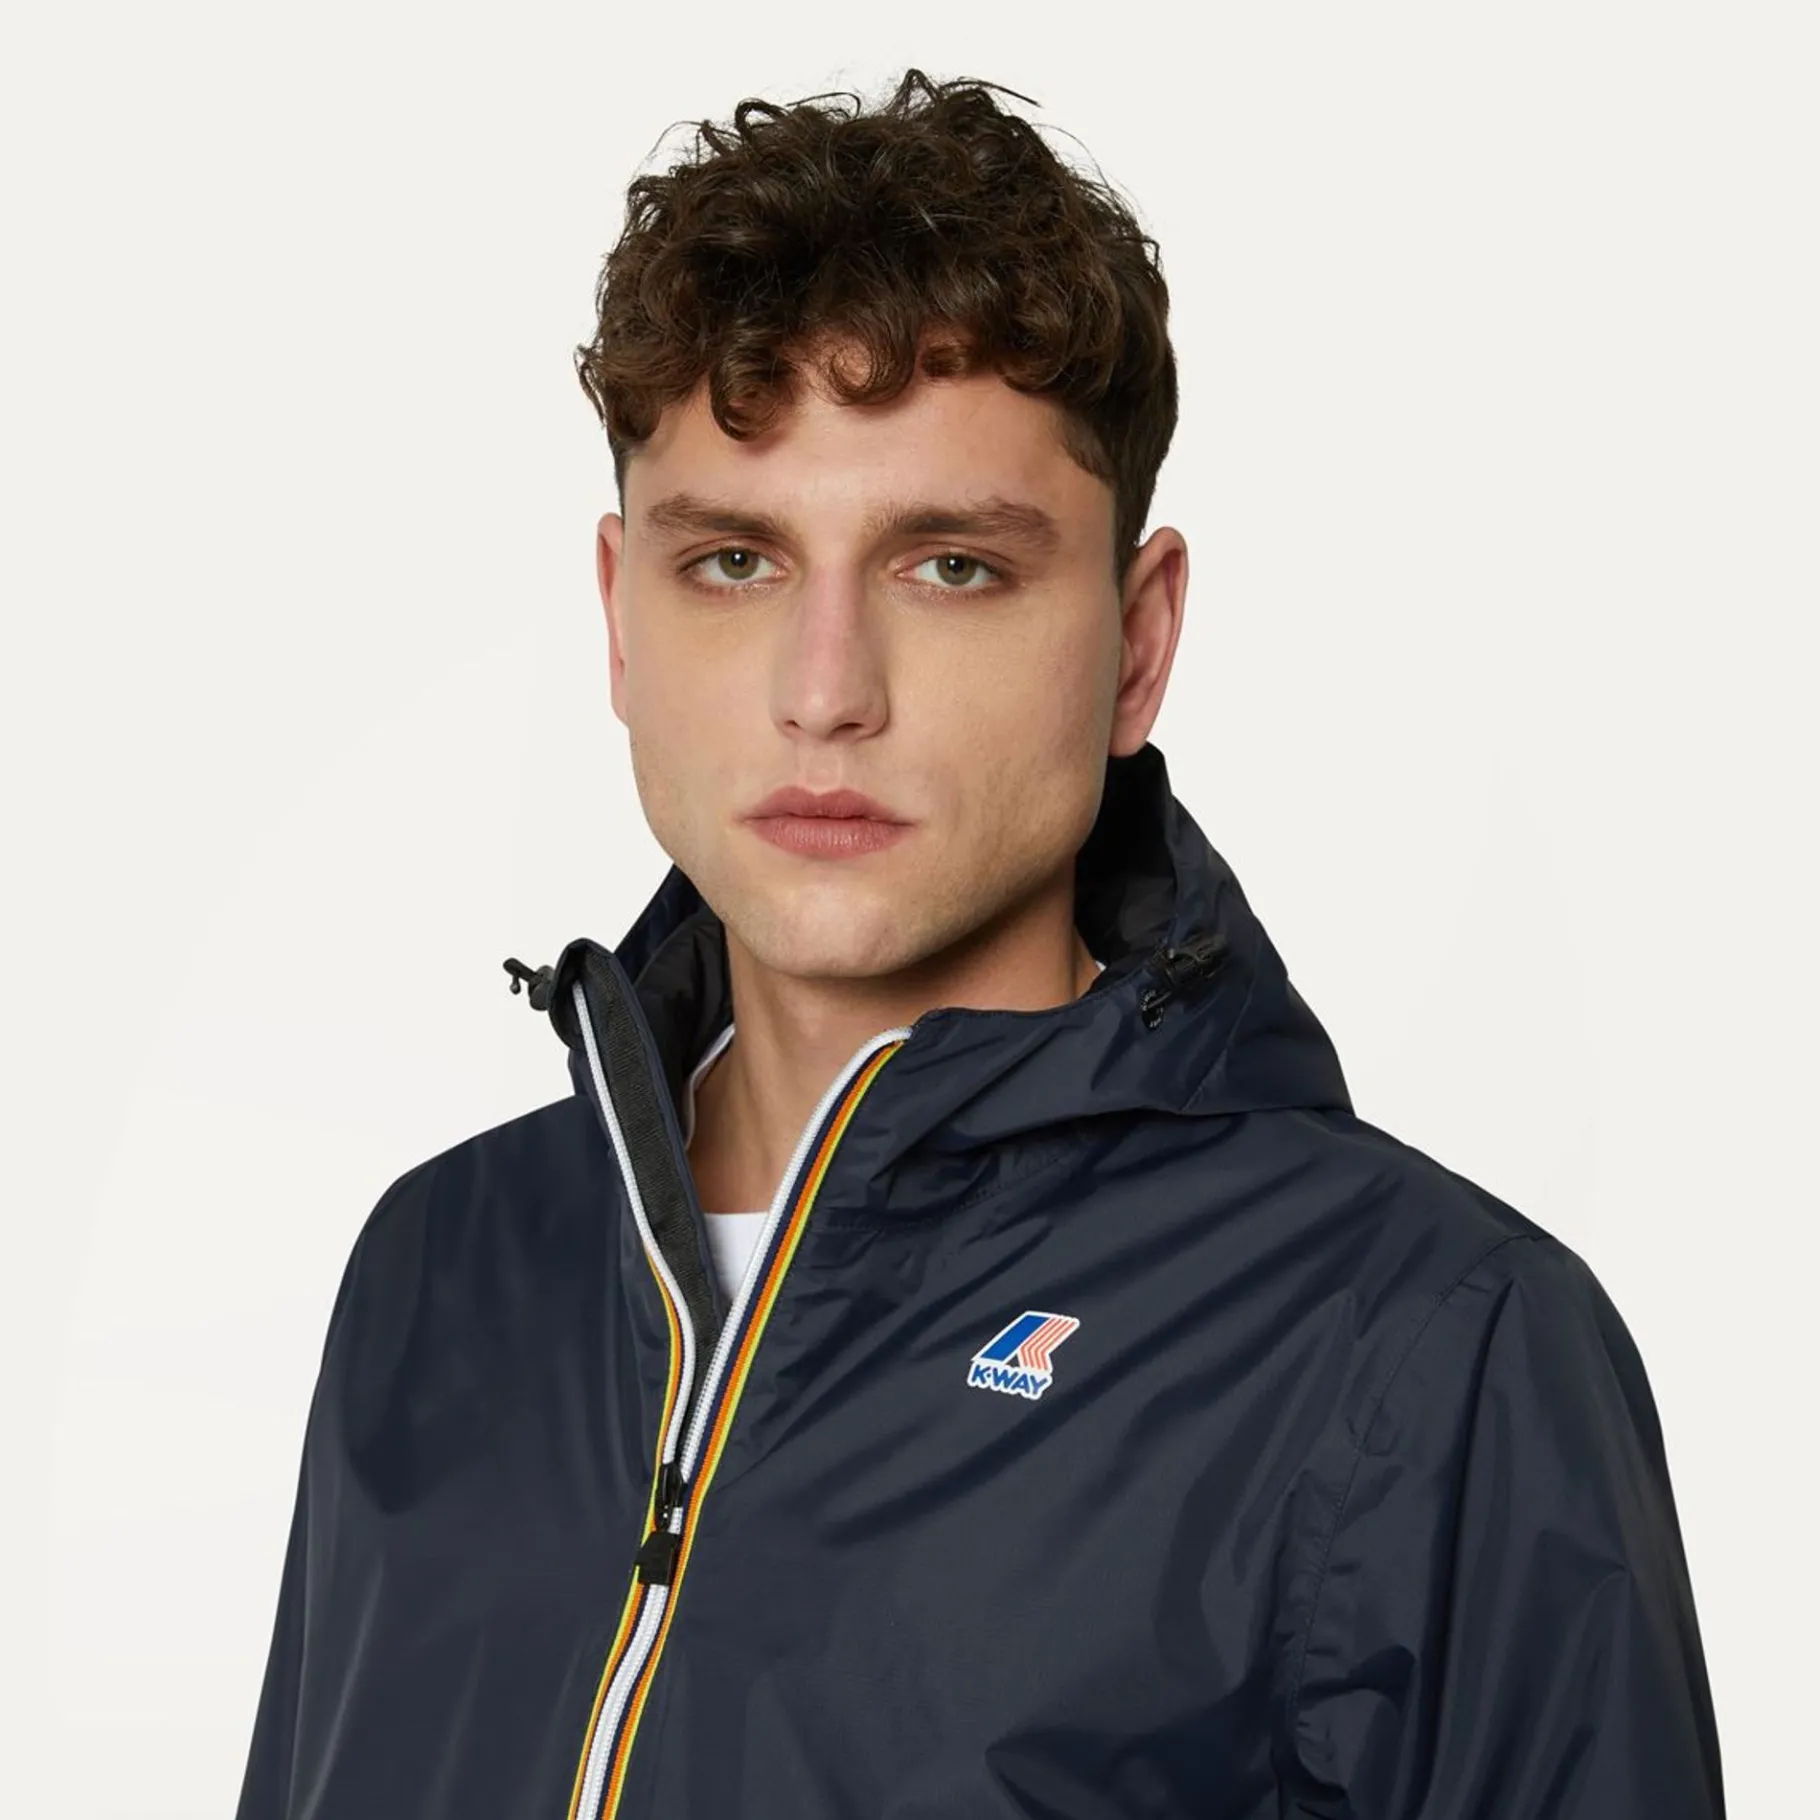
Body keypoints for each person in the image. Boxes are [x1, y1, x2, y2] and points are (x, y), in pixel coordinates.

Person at [233, 68, 1726, 1820]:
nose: (825, 693)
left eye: (950, 567)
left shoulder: (1422, 1344)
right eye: (734, 563)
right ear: (620, 622)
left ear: (1138, 645)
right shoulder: (440, 1273)